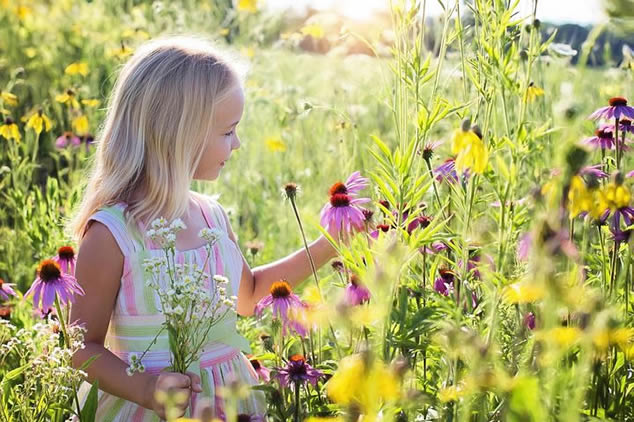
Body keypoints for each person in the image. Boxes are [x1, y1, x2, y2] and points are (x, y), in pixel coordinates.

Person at [68, 35, 338, 421]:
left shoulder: (212, 216)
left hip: (231, 401)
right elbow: (82, 349)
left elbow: (249, 296)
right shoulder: (113, 234)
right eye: (228, 131)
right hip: (146, 409)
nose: (238, 143)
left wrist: (330, 244)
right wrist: (145, 388)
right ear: (179, 135)